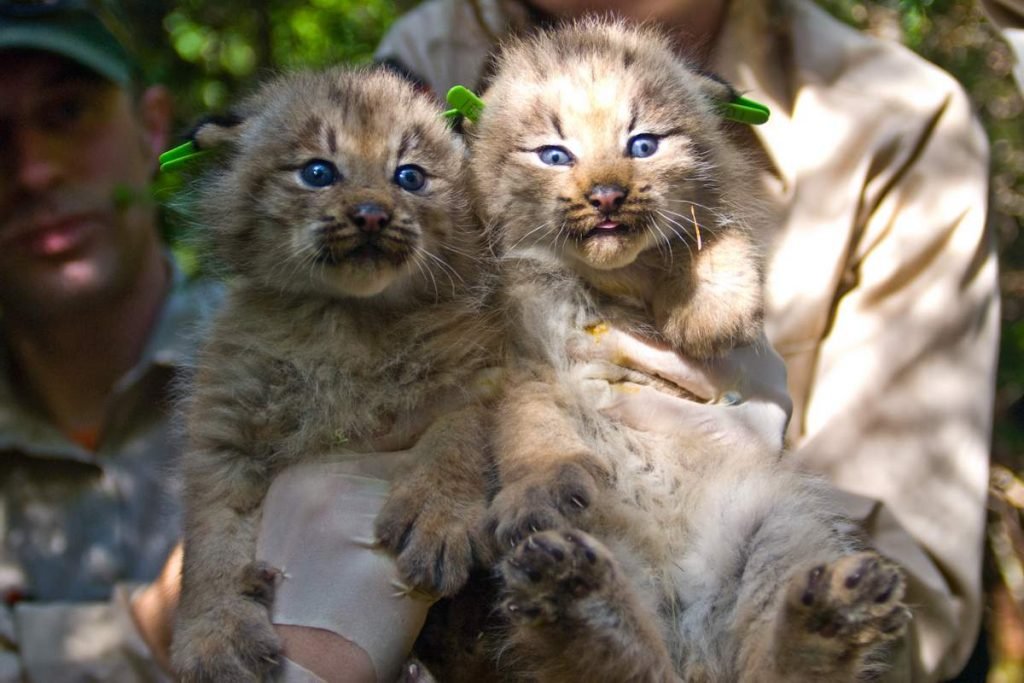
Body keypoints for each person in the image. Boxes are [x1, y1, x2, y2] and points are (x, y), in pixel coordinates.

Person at [367, 0, 998, 681]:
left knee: (785, 544)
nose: (604, 188)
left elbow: (919, 590)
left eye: (642, 144)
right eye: (556, 154)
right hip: (554, 576)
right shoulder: (433, 47)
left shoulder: (901, 114)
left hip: (744, 558)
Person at [0, 1, 218, 679]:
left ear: (153, 128)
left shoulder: (311, 356)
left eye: (67, 113)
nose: (34, 172)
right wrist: (154, 625)